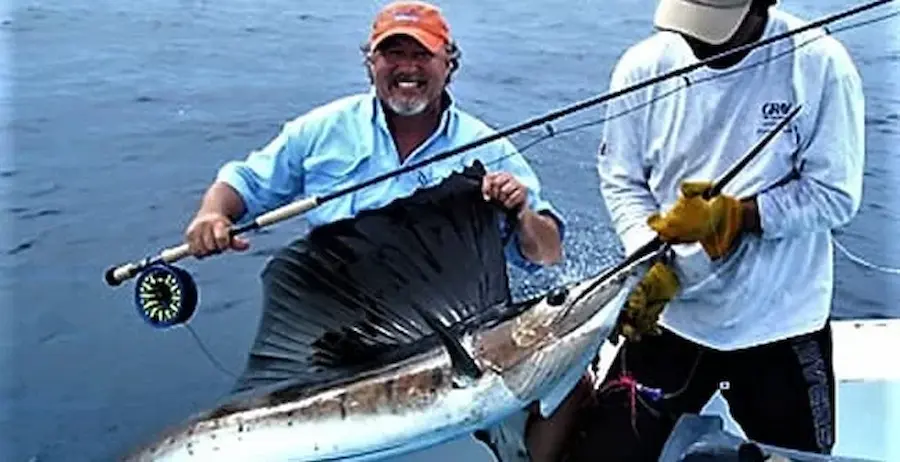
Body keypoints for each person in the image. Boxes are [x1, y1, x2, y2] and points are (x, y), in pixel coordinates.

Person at [561, 0, 865, 460]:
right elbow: (622, 179)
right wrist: (648, 256)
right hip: (672, 320)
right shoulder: (643, 65)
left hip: (780, 324)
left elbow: (835, 195)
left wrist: (738, 216)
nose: (698, 40)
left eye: (715, 25)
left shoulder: (820, 64)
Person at [182, 0, 564, 275]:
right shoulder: (323, 129)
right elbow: (244, 184)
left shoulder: (488, 147)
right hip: (336, 320)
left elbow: (548, 254)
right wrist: (212, 214)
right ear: (371, 64)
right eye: (393, 53)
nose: (408, 67)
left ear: (448, 65)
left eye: (423, 54)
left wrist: (521, 213)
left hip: (453, 326)